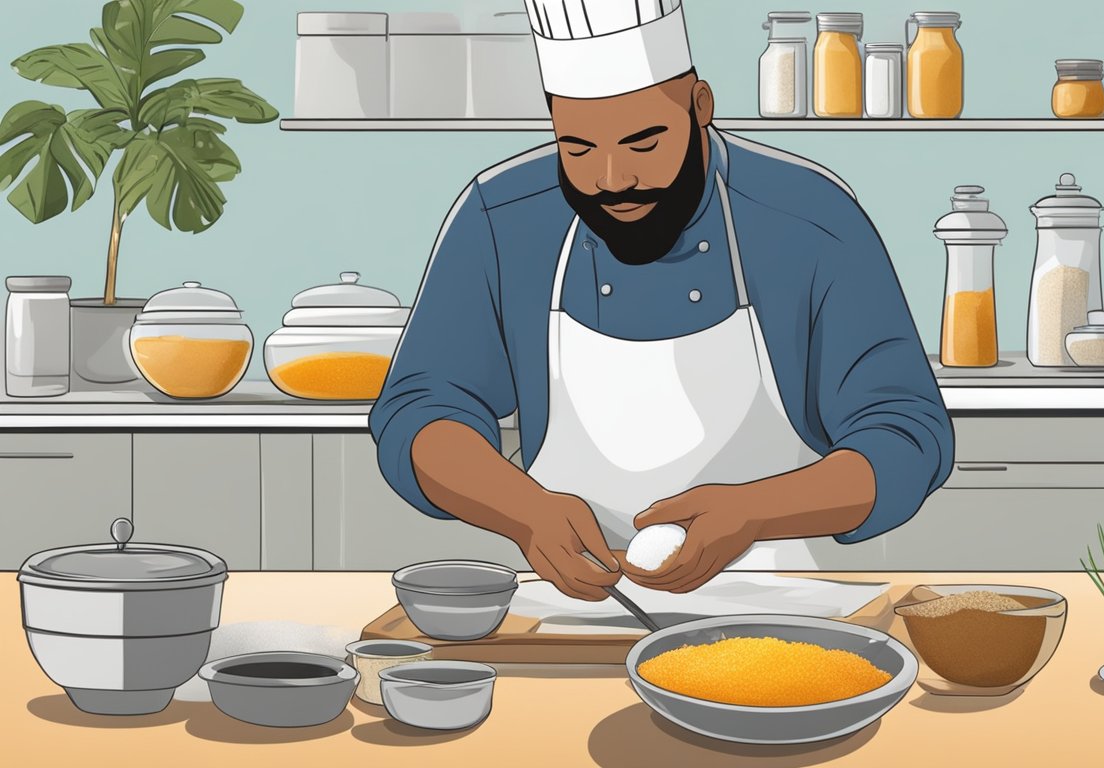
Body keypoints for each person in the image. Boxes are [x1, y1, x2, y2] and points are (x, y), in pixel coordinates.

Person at [370, 0, 954, 601]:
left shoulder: (811, 220)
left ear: (700, 106)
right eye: (577, 147)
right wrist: (523, 510)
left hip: (780, 612)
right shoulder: (502, 217)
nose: (611, 178)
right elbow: (422, 411)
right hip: (570, 613)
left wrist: (755, 512)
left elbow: (905, 437)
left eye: (644, 143)